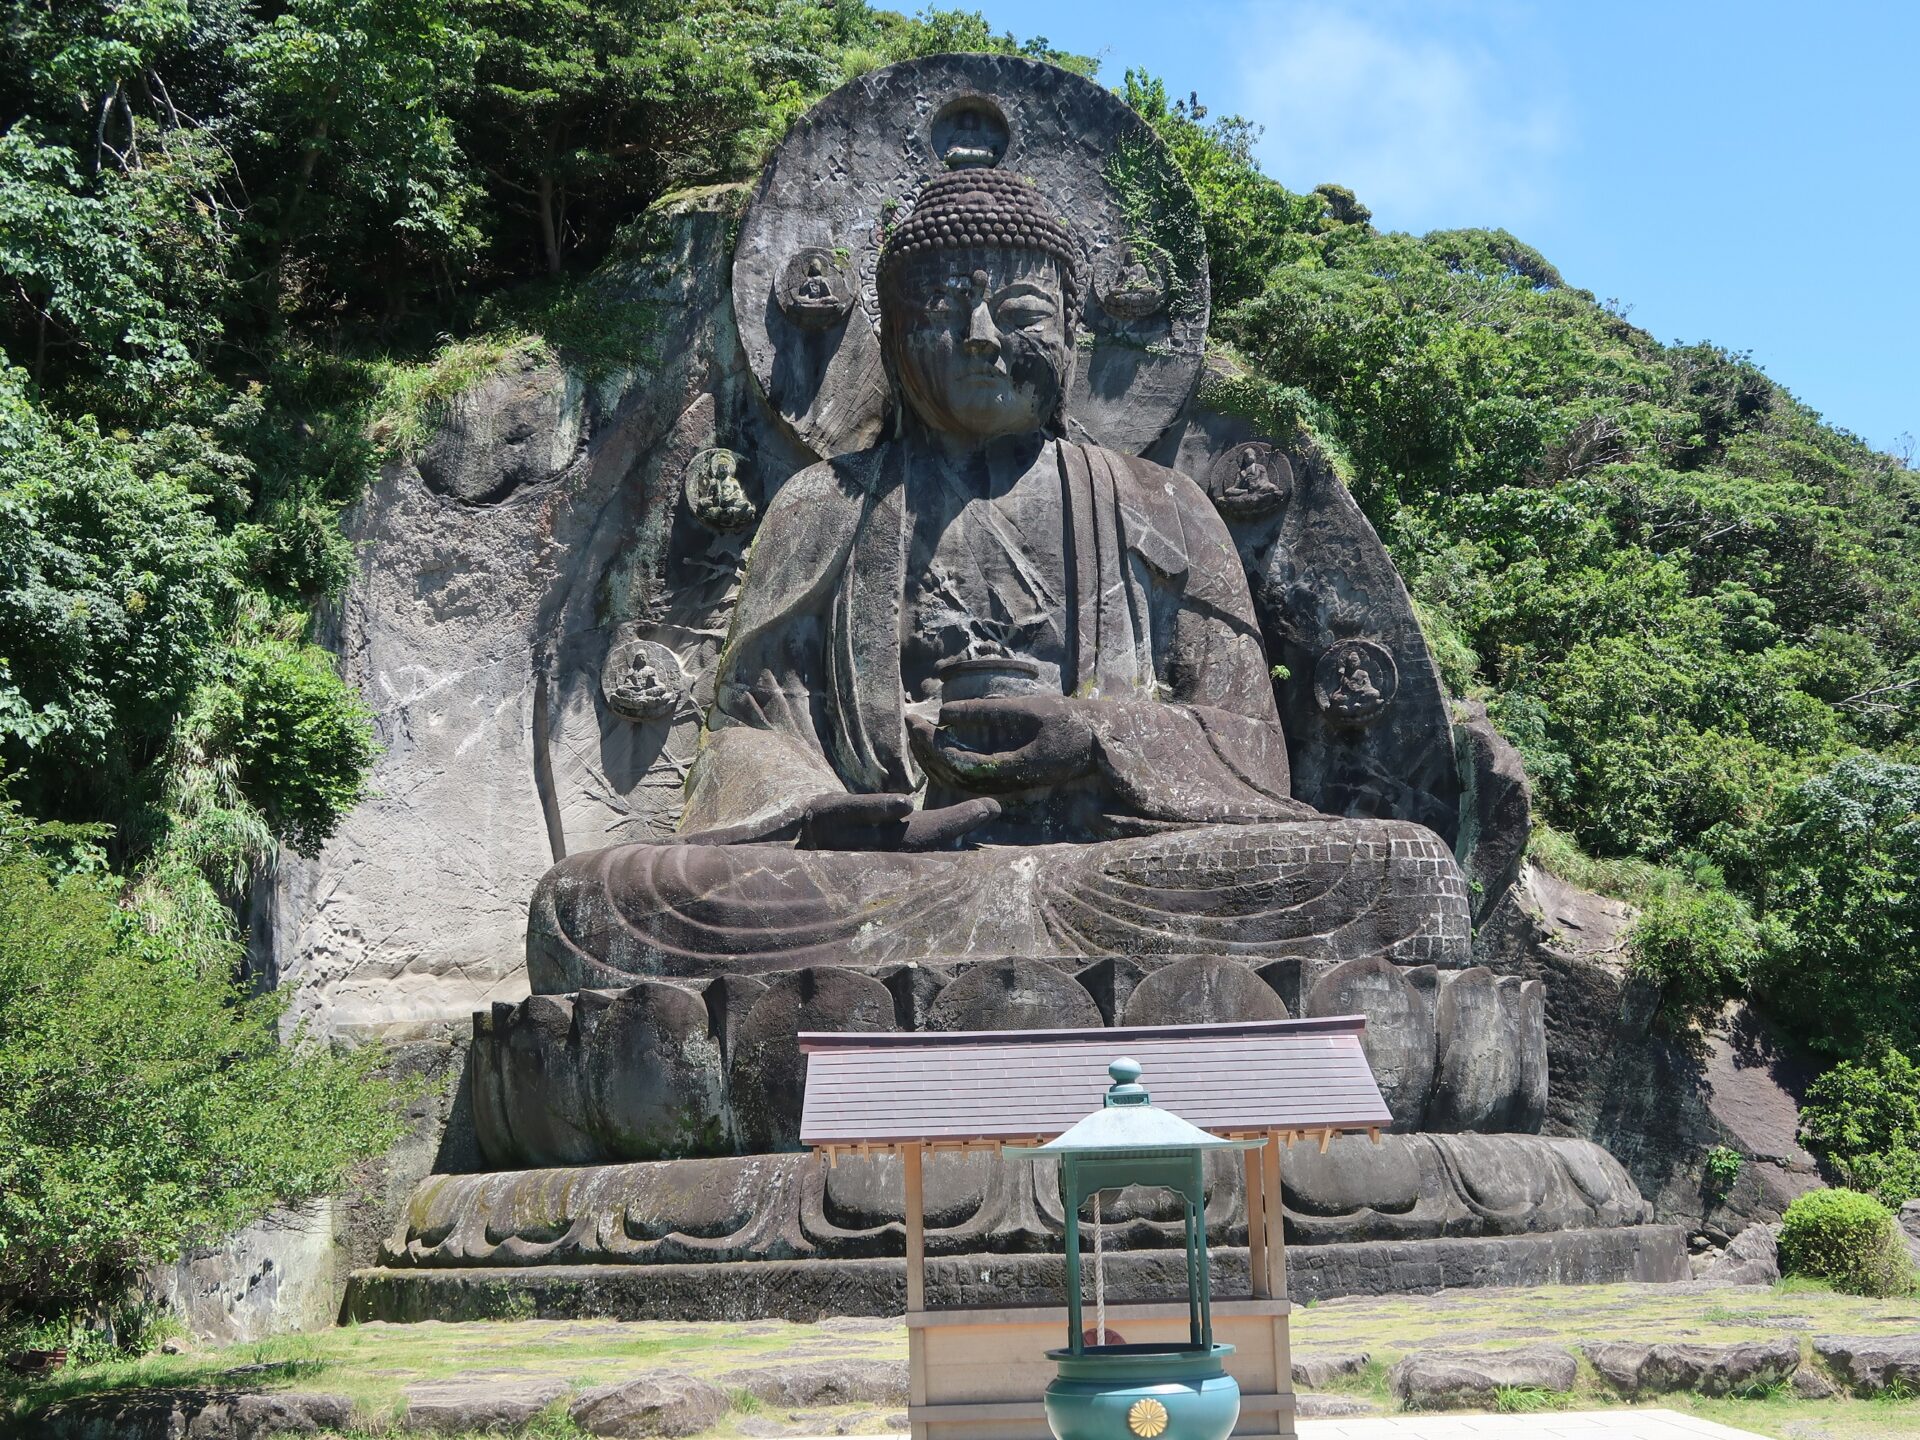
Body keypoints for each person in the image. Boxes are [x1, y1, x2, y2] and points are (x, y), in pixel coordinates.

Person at [529, 170, 1468, 990]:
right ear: (893, 338)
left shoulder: (1165, 503)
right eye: (940, 311)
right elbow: (751, 732)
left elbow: (1250, 752)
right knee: (602, 903)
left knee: (1402, 871)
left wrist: (1094, 737)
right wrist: (823, 813)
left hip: (1117, 862)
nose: (980, 337)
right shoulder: (824, 504)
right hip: (889, 878)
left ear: (1073, 333)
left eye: (1019, 313)